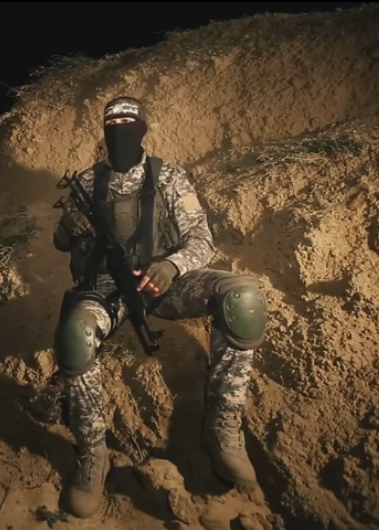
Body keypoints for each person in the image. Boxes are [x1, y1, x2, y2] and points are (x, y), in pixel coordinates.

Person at [51, 96, 269, 519]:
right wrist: (70, 226)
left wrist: (172, 266)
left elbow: (201, 239)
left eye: (128, 122)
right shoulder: (87, 181)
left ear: (142, 128)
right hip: (109, 288)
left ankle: (223, 428)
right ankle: (92, 452)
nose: (120, 130)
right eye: (112, 123)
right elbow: (60, 241)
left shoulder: (168, 176)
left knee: (243, 297)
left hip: (165, 283)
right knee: (76, 334)